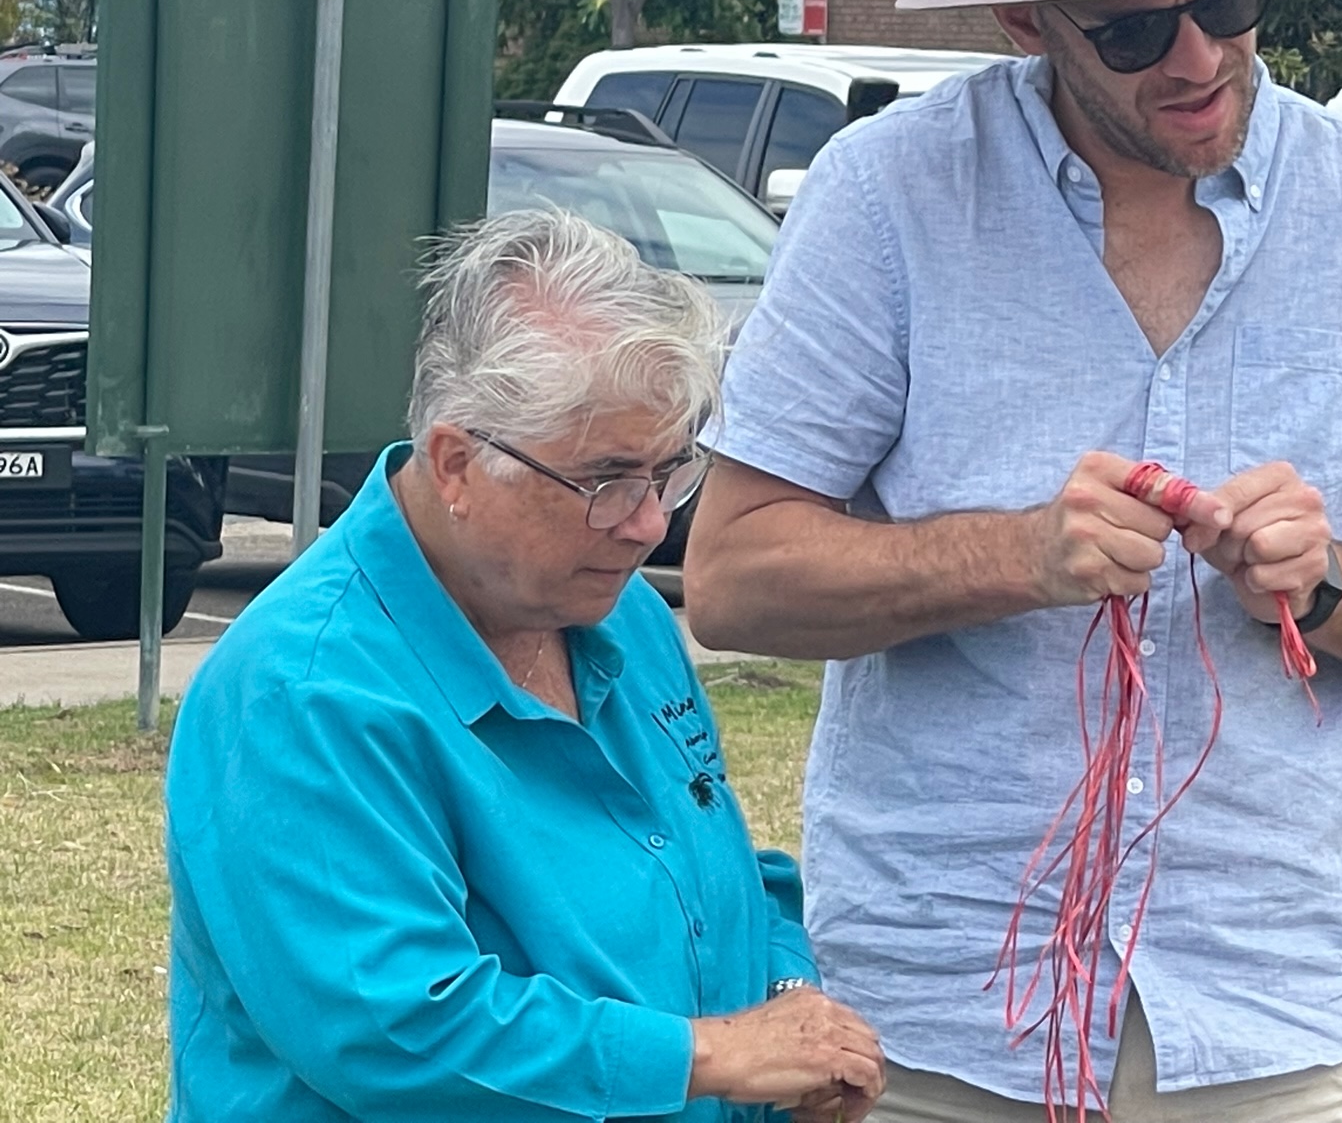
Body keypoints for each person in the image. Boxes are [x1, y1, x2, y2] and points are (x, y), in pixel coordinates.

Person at [683, 0, 1342, 1121]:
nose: (1198, 57)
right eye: (1133, 31)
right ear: (1031, 27)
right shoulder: (889, 197)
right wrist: (1018, 555)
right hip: (938, 1016)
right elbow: (733, 578)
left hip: (1267, 1015)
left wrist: (1323, 582)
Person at [163, 209, 886, 1123]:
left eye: (672, 472)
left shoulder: (616, 611)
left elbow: (713, 872)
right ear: (458, 464)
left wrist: (791, 1008)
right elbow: (396, 1030)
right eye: (607, 481)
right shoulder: (302, 690)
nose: (650, 523)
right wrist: (713, 1057)